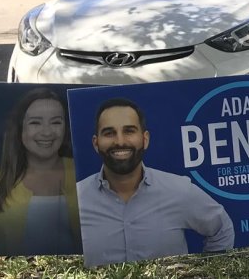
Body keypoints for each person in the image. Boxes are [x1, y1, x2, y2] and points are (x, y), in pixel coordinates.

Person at [77, 98, 234, 266]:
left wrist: (208, 271)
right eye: (109, 133)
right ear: (96, 143)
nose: (120, 141)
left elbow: (221, 229)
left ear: (145, 139)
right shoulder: (75, 200)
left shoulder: (179, 190)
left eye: (129, 131)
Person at [0, 87, 82, 256]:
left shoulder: (84, 173)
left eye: (56, 122)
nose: (47, 132)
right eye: (35, 122)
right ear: (20, 128)